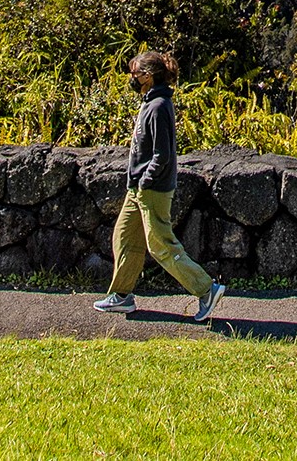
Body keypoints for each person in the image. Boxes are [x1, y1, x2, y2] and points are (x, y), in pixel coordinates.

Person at [93, 50, 227, 323]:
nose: (132, 78)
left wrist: (145, 180)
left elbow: (162, 154)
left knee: (160, 245)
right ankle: (121, 296)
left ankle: (205, 289)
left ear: (148, 76)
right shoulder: (151, 102)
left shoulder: (158, 106)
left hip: (151, 189)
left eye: (136, 73)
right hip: (138, 189)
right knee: (124, 238)